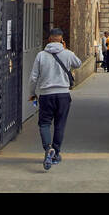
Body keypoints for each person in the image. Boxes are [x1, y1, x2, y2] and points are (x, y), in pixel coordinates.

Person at [28, 27, 82, 171]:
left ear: (49, 39)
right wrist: (65, 49)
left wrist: (32, 93)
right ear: (61, 39)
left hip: (46, 94)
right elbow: (78, 63)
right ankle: (56, 153)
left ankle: (48, 148)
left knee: (44, 124)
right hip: (63, 94)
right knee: (60, 124)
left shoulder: (41, 55)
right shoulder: (67, 53)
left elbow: (33, 77)